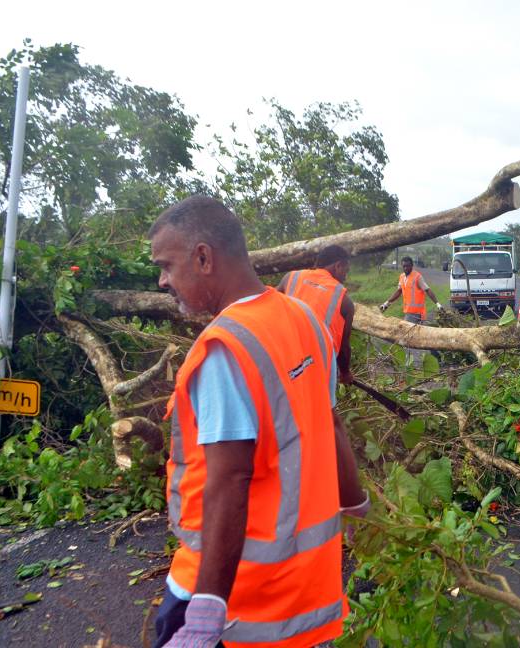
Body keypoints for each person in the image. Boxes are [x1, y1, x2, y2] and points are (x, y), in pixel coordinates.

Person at [148, 196, 367, 648]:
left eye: (167, 265)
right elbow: (331, 423)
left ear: (203, 257)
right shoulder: (302, 317)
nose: (162, 280)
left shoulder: (225, 348)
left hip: (234, 600)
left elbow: (229, 478)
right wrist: (357, 505)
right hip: (303, 597)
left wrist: (206, 610)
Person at [277, 244, 356, 385]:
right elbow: (344, 347)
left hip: (283, 359)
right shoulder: (344, 301)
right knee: (322, 407)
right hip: (318, 370)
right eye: (346, 271)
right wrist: (345, 373)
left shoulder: (291, 277)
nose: (346, 276)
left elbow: (268, 306)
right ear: (338, 266)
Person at [381, 256, 443, 323]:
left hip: (416, 313)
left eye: (408, 266)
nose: (406, 268)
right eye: (404, 266)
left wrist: (437, 303)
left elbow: (427, 290)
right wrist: (387, 303)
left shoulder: (417, 277)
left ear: (412, 266)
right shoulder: (402, 276)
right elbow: (399, 291)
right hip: (408, 311)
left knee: (405, 330)